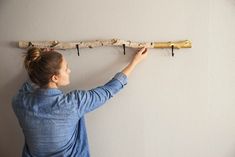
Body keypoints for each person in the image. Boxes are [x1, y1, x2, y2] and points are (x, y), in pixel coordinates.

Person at [12, 46, 148, 157]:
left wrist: (43, 62)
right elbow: (109, 90)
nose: (69, 70)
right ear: (54, 78)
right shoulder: (74, 103)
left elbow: (29, 83)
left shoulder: (19, 102)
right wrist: (134, 63)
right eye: (66, 68)